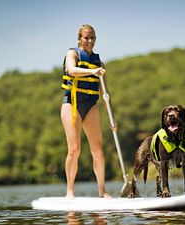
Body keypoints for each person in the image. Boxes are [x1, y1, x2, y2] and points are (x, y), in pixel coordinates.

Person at [61, 24, 111, 198]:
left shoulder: (99, 63)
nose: (90, 41)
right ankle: (70, 191)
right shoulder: (72, 54)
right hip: (72, 104)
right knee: (74, 149)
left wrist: (113, 120)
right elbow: (71, 70)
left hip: (91, 105)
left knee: (97, 149)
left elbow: (105, 93)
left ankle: (102, 190)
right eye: (86, 38)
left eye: (92, 38)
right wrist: (93, 70)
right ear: (80, 39)